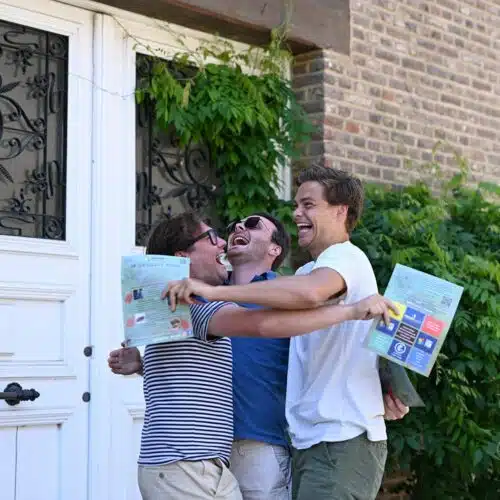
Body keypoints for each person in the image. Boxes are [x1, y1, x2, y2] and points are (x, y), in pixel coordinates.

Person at [109, 211, 398, 500]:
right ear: (183, 256)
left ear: (275, 249)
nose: (230, 233)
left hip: (257, 443)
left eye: (252, 225)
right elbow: (201, 356)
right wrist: (145, 364)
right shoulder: (194, 299)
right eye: (220, 233)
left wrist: (381, 384)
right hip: (198, 456)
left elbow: (332, 348)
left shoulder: (288, 294)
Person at [167, 166, 408, 500]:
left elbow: (310, 294)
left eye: (308, 205)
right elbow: (271, 327)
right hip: (312, 440)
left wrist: (214, 291)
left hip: (341, 436)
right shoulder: (310, 269)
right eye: (296, 205)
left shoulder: (346, 257)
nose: (296, 213)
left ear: (340, 211)